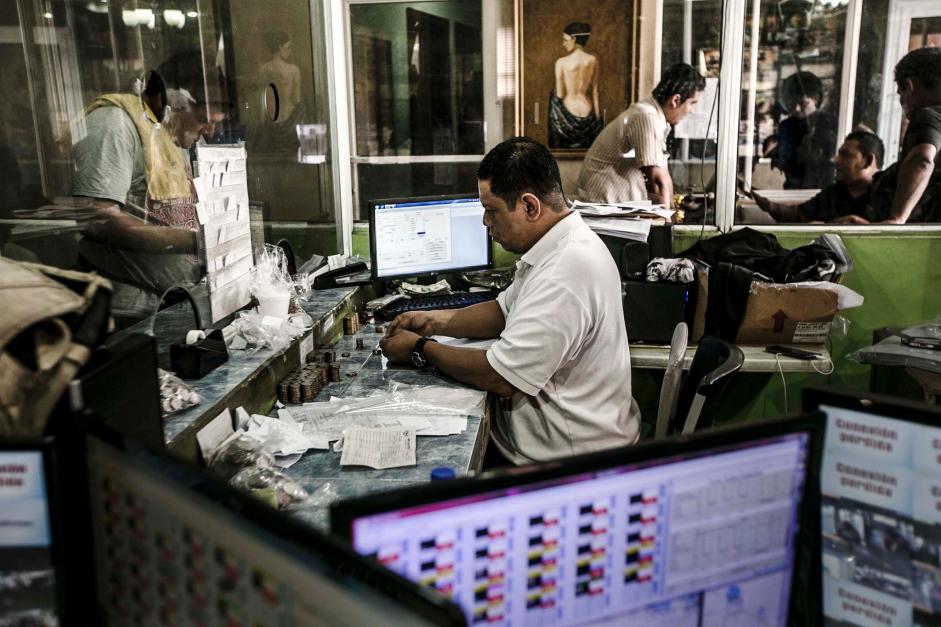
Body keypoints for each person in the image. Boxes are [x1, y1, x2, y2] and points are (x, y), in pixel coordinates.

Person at [380, 137, 639, 466]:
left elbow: (499, 378)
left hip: (569, 463)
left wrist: (420, 349)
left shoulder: (566, 271)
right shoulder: (558, 247)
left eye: (491, 211)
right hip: (549, 445)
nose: (486, 223)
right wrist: (434, 320)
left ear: (530, 206)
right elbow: (502, 311)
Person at [71, 52, 225, 319]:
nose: (209, 131)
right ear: (173, 102)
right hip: (127, 310)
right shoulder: (115, 125)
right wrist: (193, 241)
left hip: (178, 302)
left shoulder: (182, 134)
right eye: (203, 119)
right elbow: (96, 219)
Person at [576, 63, 705, 208]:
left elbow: (664, 176)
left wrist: (672, 216)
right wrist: (667, 225)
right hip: (604, 209)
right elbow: (656, 180)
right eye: (692, 103)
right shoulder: (646, 116)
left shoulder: (655, 117)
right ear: (675, 100)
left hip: (612, 207)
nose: (692, 110)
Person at [751, 131, 885, 222]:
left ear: (868, 161)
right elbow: (799, 216)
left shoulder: (889, 194)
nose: (836, 160)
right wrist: (769, 205)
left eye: (846, 154)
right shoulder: (833, 193)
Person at [881, 46, 941, 224]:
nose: (903, 106)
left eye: (901, 94)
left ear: (909, 85)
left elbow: (922, 159)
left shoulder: (929, 115)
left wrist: (897, 219)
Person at [771, 71, 838, 190]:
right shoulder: (786, 126)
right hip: (794, 187)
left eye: (803, 103)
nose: (796, 109)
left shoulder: (830, 123)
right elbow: (786, 160)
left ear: (816, 99)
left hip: (824, 187)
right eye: (792, 103)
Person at [548, 22, 602, 149]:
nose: (563, 44)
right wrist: (598, 119)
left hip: (569, 110)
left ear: (574, 39)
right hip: (588, 111)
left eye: (565, 40)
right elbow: (595, 92)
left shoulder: (561, 62)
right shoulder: (593, 60)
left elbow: (560, 94)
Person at [259, 30, 302, 121]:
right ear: (280, 47)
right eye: (288, 47)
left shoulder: (263, 69)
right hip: (289, 118)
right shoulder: (294, 70)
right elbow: (297, 100)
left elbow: (262, 100)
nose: (290, 51)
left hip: (272, 118)